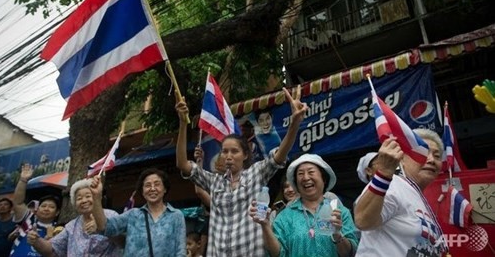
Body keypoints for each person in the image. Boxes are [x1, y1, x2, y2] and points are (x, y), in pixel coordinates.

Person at [175, 86, 307, 256]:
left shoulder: (256, 174)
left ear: (245, 155)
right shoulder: (214, 181)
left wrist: (295, 124)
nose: (228, 156)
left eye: (234, 151)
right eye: (225, 151)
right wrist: (182, 123)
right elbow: (183, 164)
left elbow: (279, 155)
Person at [354, 129, 448, 256]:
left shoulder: (418, 196)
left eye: (437, 156)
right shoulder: (392, 184)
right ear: (402, 158)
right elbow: (362, 220)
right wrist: (384, 174)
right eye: (423, 152)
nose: (431, 159)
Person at [250, 153, 358, 257]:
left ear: (323, 179)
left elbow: (351, 253)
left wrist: (337, 235)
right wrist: (265, 226)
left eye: (311, 172)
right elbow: (277, 254)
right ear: (296, 183)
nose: (306, 178)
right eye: (300, 174)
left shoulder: (339, 212)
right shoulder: (284, 217)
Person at [90, 168, 186, 257]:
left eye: (157, 184)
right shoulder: (133, 215)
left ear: (165, 189)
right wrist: (96, 197)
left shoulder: (176, 215)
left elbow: (181, 252)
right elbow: (104, 227)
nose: (152, 189)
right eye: (147, 185)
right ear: (142, 191)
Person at [26, 178, 123, 256]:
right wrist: (37, 241)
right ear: (75, 204)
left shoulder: (111, 215)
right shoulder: (71, 226)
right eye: (79, 198)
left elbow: (123, 242)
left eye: (88, 196)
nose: (84, 201)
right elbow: (52, 250)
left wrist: (103, 228)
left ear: (96, 197)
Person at [11, 164, 61, 257]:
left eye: (51, 207)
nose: (46, 209)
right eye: (44, 206)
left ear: (57, 212)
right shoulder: (28, 218)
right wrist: (23, 180)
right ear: (37, 209)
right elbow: (17, 203)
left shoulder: (59, 229)